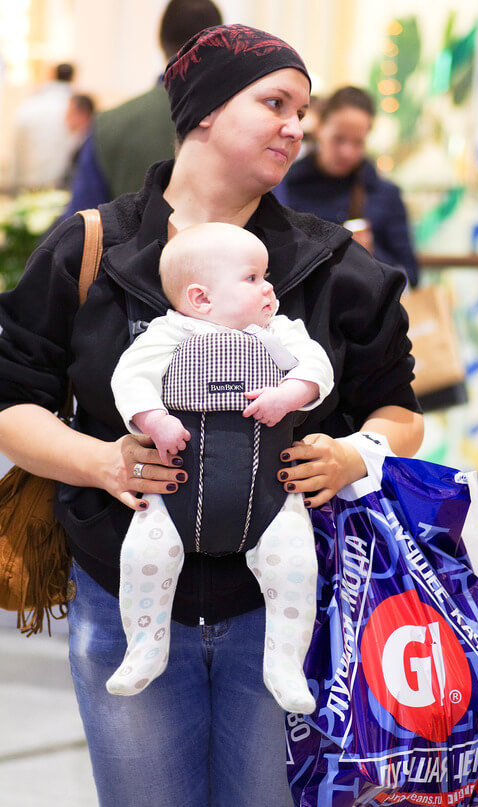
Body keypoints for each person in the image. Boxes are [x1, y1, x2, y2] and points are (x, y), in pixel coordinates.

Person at [0, 23, 423, 807]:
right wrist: (102, 460)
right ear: (203, 110)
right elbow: (12, 404)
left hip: (284, 605)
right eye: (275, 103)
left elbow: (399, 410)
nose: (296, 127)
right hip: (120, 591)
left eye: (303, 110)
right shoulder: (90, 249)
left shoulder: (332, 265)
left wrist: (352, 453)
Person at [107, 221, 333, 714]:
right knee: (144, 557)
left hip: (270, 499)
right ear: (201, 298)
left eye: (266, 276)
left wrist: (289, 395)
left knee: (295, 566)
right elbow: (130, 379)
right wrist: (155, 420)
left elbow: (317, 366)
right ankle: (144, 647)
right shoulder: (170, 333)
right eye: (252, 278)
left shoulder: (279, 332)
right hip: (176, 498)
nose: (269, 287)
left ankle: (285, 663)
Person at [61, 0, 222, 216]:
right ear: (222, 44)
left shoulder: (109, 125)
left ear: (160, 41)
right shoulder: (244, 120)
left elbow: (83, 220)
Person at [274, 85, 420, 287]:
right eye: (339, 139)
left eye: (358, 143)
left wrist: (370, 254)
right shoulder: (285, 185)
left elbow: (410, 276)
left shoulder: (385, 194)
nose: (347, 153)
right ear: (320, 129)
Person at [12, 62, 78, 189]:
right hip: (61, 184)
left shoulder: (29, 105)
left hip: (29, 182)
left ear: (52, 75)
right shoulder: (75, 108)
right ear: (73, 77)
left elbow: (17, 146)